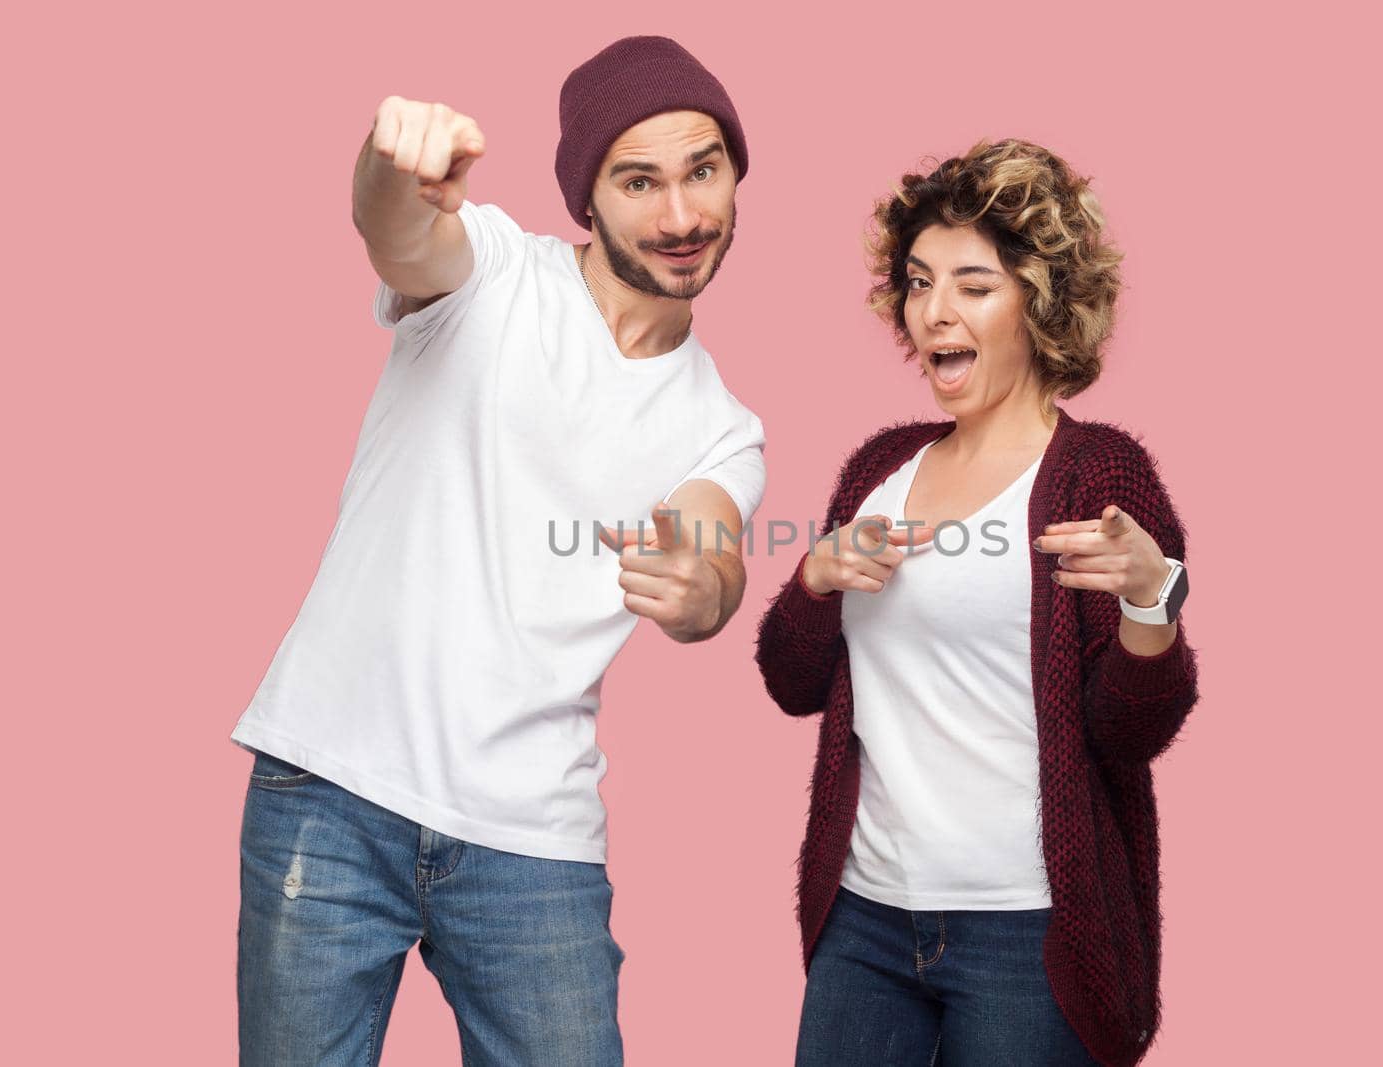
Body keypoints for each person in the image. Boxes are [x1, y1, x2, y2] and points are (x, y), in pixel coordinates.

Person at [231, 36, 765, 1066]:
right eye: (639, 180)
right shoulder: (494, 272)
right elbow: (396, 234)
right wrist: (393, 170)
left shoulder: (722, 423)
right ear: (588, 196)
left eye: (703, 170)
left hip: (534, 837)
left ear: (737, 176)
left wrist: (701, 586)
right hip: (335, 788)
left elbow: (714, 555)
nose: (682, 216)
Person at [755, 139, 1200, 1067]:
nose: (934, 313)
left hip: (1026, 933)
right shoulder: (880, 467)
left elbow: (1129, 734)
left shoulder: (1099, 474)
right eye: (919, 284)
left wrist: (1152, 599)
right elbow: (792, 681)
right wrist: (813, 583)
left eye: (972, 285)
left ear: (1038, 306)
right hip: (865, 920)